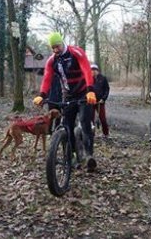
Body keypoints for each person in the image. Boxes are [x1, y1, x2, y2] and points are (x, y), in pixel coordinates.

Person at [33, 32, 97, 172]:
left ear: (62, 43)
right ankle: (72, 156)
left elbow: (86, 69)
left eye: (57, 46)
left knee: (85, 122)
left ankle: (88, 155)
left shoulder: (76, 52)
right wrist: (42, 95)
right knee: (67, 127)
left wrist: (90, 89)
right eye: (53, 48)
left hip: (83, 93)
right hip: (68, 95)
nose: (56, 50)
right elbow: (47, 78)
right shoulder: (52, 60)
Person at [90, 64, 110, 138]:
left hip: (100, 102)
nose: (93, 71)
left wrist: (103, 99)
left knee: (103, 118)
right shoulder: (89, 79)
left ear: (97, 70)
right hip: (91, 102)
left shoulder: (103, 78)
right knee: (90, 119)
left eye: (94, 70)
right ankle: (92, 134)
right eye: (92, 70)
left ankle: (106, 134)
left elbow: (107, 89)